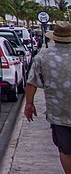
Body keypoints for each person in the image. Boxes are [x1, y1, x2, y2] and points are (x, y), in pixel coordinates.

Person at [24, 21, 71, 174]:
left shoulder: (43, 57)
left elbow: (31, 82)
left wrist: (29, 105)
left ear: (54, 38)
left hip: (59, 114)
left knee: (66, 151)